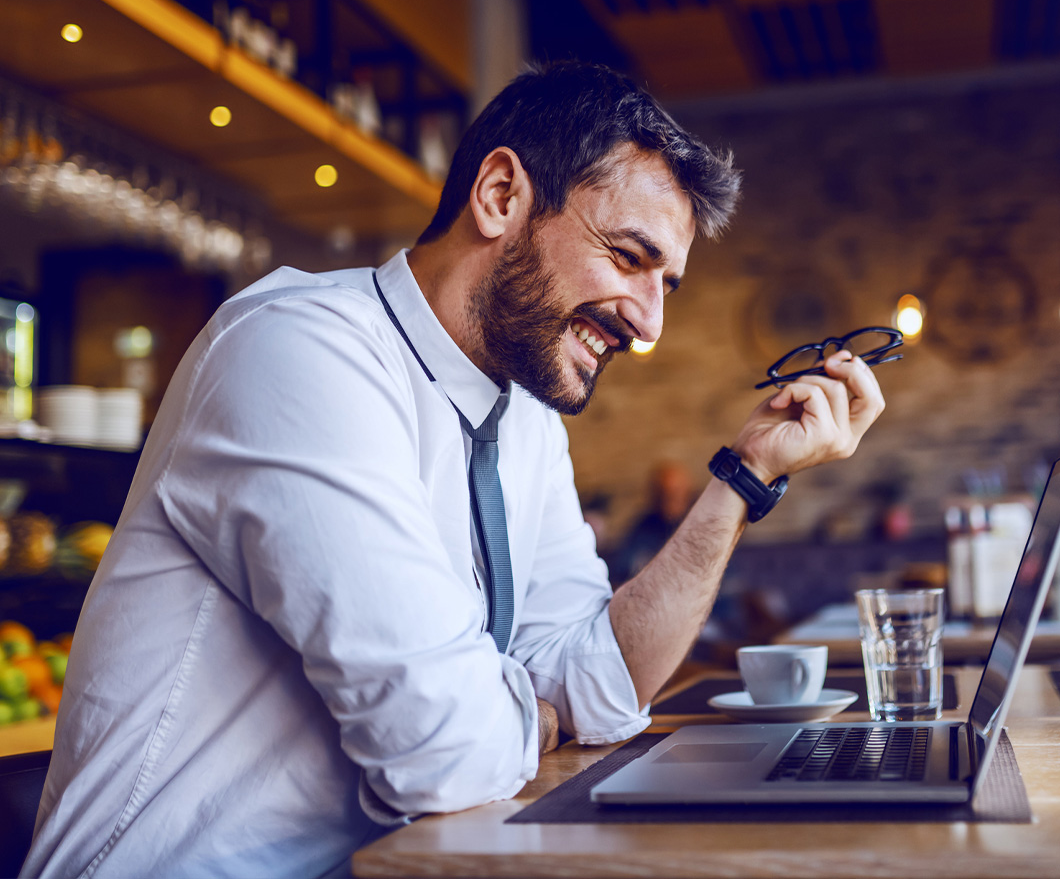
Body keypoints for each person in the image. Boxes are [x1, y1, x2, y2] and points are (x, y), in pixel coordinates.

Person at [22, 62, 885, 878]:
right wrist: (534, 714)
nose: (648, 322)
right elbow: (442, 750)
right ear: (501, 194)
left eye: (668, 282)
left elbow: (598, 679)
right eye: (628, 257)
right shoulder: (301, 350)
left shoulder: (525, 419)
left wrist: (741, 480)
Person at [610, 460, 697, 584]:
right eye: (663, 493)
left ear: (688, 493)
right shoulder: (641, 528)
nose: (669, 498)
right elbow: (623, 569)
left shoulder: (700, 526)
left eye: (675, 492)